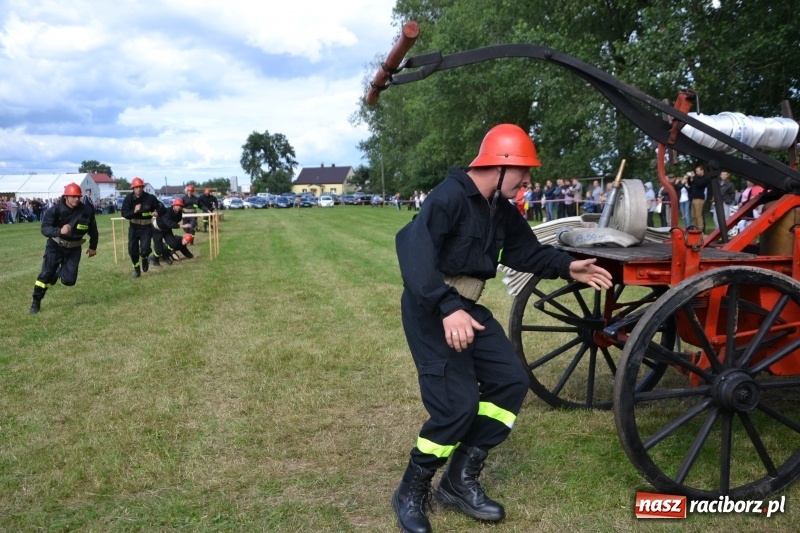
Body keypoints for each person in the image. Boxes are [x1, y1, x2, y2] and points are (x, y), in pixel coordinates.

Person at [392, 124, 613, 533]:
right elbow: (412, 248)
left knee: (510, 381)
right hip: (431, 308)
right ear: (499, 165)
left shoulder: (500, 209)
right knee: (455, 407)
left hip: (466, 307)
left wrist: (568, 266)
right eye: (523, 170)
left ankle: (458, 480)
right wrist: (445, 308)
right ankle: (411, 488)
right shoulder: (449, 197)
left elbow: (526, 252)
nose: (528, 179)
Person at [29, 183, 98, 314]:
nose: (76, 199)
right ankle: (36, 301)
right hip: (55, 246)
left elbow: (93, 230)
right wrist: (60, 230)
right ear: (66, 196)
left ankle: (57, 273)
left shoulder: (86, 211)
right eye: (73, 196)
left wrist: (93, 247)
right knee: (45, 275)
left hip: (74, 249)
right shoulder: (55, 210)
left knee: (69, 281)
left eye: (78, 196)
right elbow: (45, 229)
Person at [121, 177, 161, 279]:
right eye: (136, 187)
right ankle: (137, 270)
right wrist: (134, 211)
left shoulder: (150, 198)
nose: (138, 189)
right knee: (132, 251)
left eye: (140, 187)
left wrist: (158, 212)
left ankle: (144, 258)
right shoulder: (129, 198)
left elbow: (161, 208)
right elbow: (124, 213)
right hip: (134, 227)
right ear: (133, 188)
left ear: (143, 187)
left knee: (145, 249)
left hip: (146, 227)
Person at [150, 197, 194, 266]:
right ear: (173, 205)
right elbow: (169, 223)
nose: (178, 207)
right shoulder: (167, 212)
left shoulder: (179, 214)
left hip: (167, 230)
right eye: (177, 205)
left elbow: (172, 224)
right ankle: (155, 260)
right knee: (159, 249)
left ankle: (166, 255)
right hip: (157, 229)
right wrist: (183, 226)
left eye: (180, 206)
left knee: (173, 243)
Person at [689, 164, 709, 232]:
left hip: (699, 199)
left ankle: (700, 229)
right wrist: (690, 178)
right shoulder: (696, 178)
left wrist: (694, 177)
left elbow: (699, 184)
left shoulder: (705, 178)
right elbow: (690, 184)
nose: (696, 172)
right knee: (693, 215)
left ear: (702, 171)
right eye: (696, 171)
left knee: (698, 215)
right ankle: (695, 228)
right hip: (694, 198)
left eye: (697, 171)